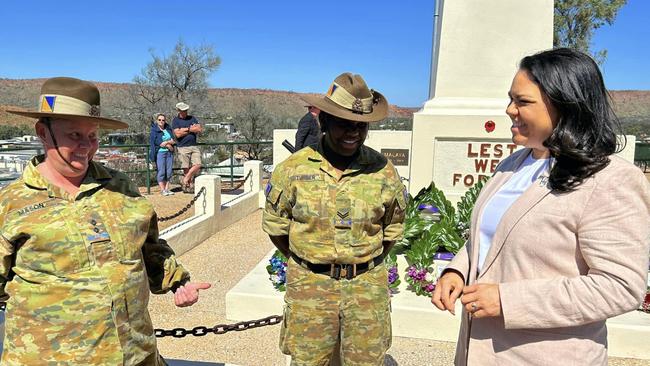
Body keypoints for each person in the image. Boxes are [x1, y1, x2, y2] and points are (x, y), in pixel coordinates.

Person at [431, 48, 650, 366]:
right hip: (477, 352)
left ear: (564, 105)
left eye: (523, 101)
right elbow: (492, 236)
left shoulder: (610, 179)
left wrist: (508, 300)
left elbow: (620, 287)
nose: (509, 110)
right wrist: (457, 270)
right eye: (510, 99)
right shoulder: (512, 164)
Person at [1, 77, 211, 365]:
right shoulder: (10, 204)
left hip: (135, 356)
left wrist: (177, 281)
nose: (86, 147)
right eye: (74, 135)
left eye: (93, 136)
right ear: (43, 132)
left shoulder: (120, 187)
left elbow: (149, 247)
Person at [262, 72, 406, 365]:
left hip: (367, 288)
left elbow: (391, 231)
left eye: (360, 126)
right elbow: (277, 228)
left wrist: (358, 263)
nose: (353, 132)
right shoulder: (292, 169)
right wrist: (314, 261)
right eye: (343, 124)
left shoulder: (382, 170)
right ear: (324, 121)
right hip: (310, 288)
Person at [172, 102, 203, 193]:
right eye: (182, 111)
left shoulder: (192, 118)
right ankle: (189, 186)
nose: (184, 112)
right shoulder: (176, 120)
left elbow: (199, 129)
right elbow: (177, 134)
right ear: (178, 111)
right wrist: (190, 129)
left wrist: (183, 130)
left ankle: (185, 179)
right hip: (182, 147)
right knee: (185, 167)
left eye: (185, 110)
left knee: (198, 164)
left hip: (193, 145)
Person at [149, 113, 176, 196]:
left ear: (165, 121)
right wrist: (168, 144)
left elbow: (173, 140)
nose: (161, 121)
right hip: (160, 152)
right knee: (161, 171)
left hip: (169, 152)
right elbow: (157, 142)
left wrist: (167, 143)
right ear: (157, 121)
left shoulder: (168, 129)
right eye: (159, 120)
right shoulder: (154, 130)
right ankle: (162, 189)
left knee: (169, 171)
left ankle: (167, 189)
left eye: (163, 120)